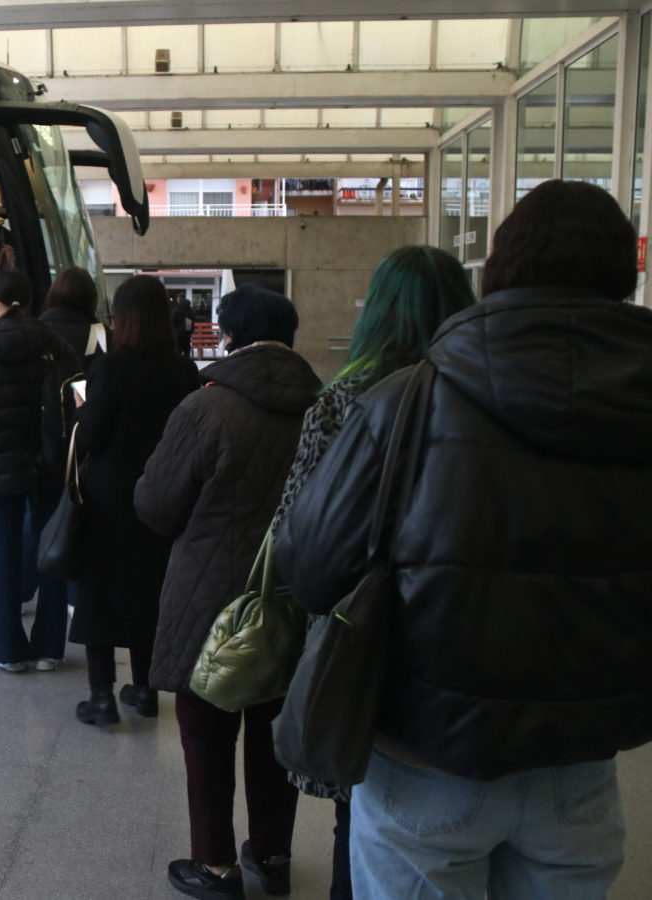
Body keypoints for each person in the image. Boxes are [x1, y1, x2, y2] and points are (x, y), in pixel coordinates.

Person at [275, 179, 652, 900]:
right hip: (583, 763)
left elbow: (312, 568)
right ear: (625, 276)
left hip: (425, 755)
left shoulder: (405, 401)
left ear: (499, 273)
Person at [269, 245, 475, 900]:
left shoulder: (343, 401)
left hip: (365, 645)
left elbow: (296, 538)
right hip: (467, 645)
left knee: (357, 819)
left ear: (376, 313)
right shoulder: (488, 397)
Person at [134, 284, 320, 899]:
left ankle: (214, 867)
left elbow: (156, 506)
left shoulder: (205, 407)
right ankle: (272, 857)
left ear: (230, 336)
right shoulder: (326, 407)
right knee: (275, 730)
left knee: (206, 729)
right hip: (294, 597)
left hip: (209, 600)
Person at [70, 275, 199, 724]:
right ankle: (145, 689)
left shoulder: (112, 366)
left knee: (100, 591)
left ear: (122, 317)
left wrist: (80, 413)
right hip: (163, 496)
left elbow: (91, 434)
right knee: (150, 588)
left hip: (109, 497)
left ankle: (101, 696)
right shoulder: (183, 369)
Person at [0, 269, 77, 672]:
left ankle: (7, 649)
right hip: (50, 461)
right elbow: (78, 390)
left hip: (1, 462)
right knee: (51, 550)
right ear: (30, 300)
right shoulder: (53, 343)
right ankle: (49, 649)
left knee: (5, 553)